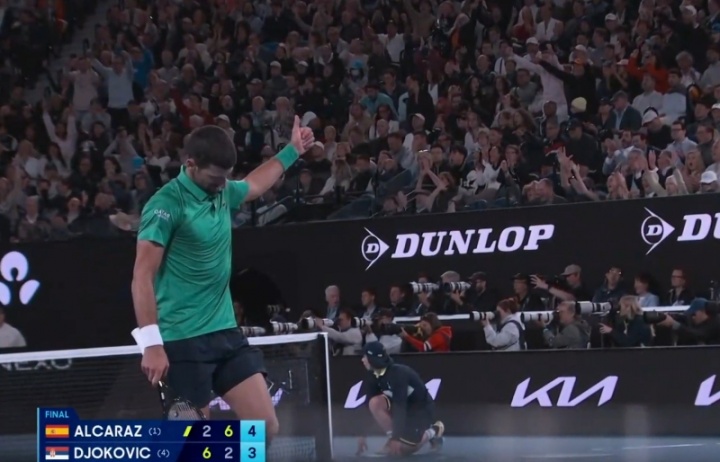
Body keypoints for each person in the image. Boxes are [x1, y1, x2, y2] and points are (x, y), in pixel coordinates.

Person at [131, 116, 315, 439]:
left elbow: (254, 185)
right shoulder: (165, 205)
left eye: (225, 178)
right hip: (183, 339)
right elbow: (141, 277)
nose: (222, 185)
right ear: (191, 164)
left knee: (265, 427)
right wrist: (152, 344)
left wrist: (292, 150)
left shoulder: (220, 190)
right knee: (194, 442)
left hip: (225, 333)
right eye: (216, 178)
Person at [356, 341, 445, 457]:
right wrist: (362, 433)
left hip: (420, 410)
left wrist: (396, 438)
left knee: (404, 450)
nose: (362, 360)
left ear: (372, 359)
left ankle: (434, 430)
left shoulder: (399, 374)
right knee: (374, 403)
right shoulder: (373, 374)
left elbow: (400, 406)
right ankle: (392, 439)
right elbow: (368, 403)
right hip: (402, 408)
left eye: (365, 357)